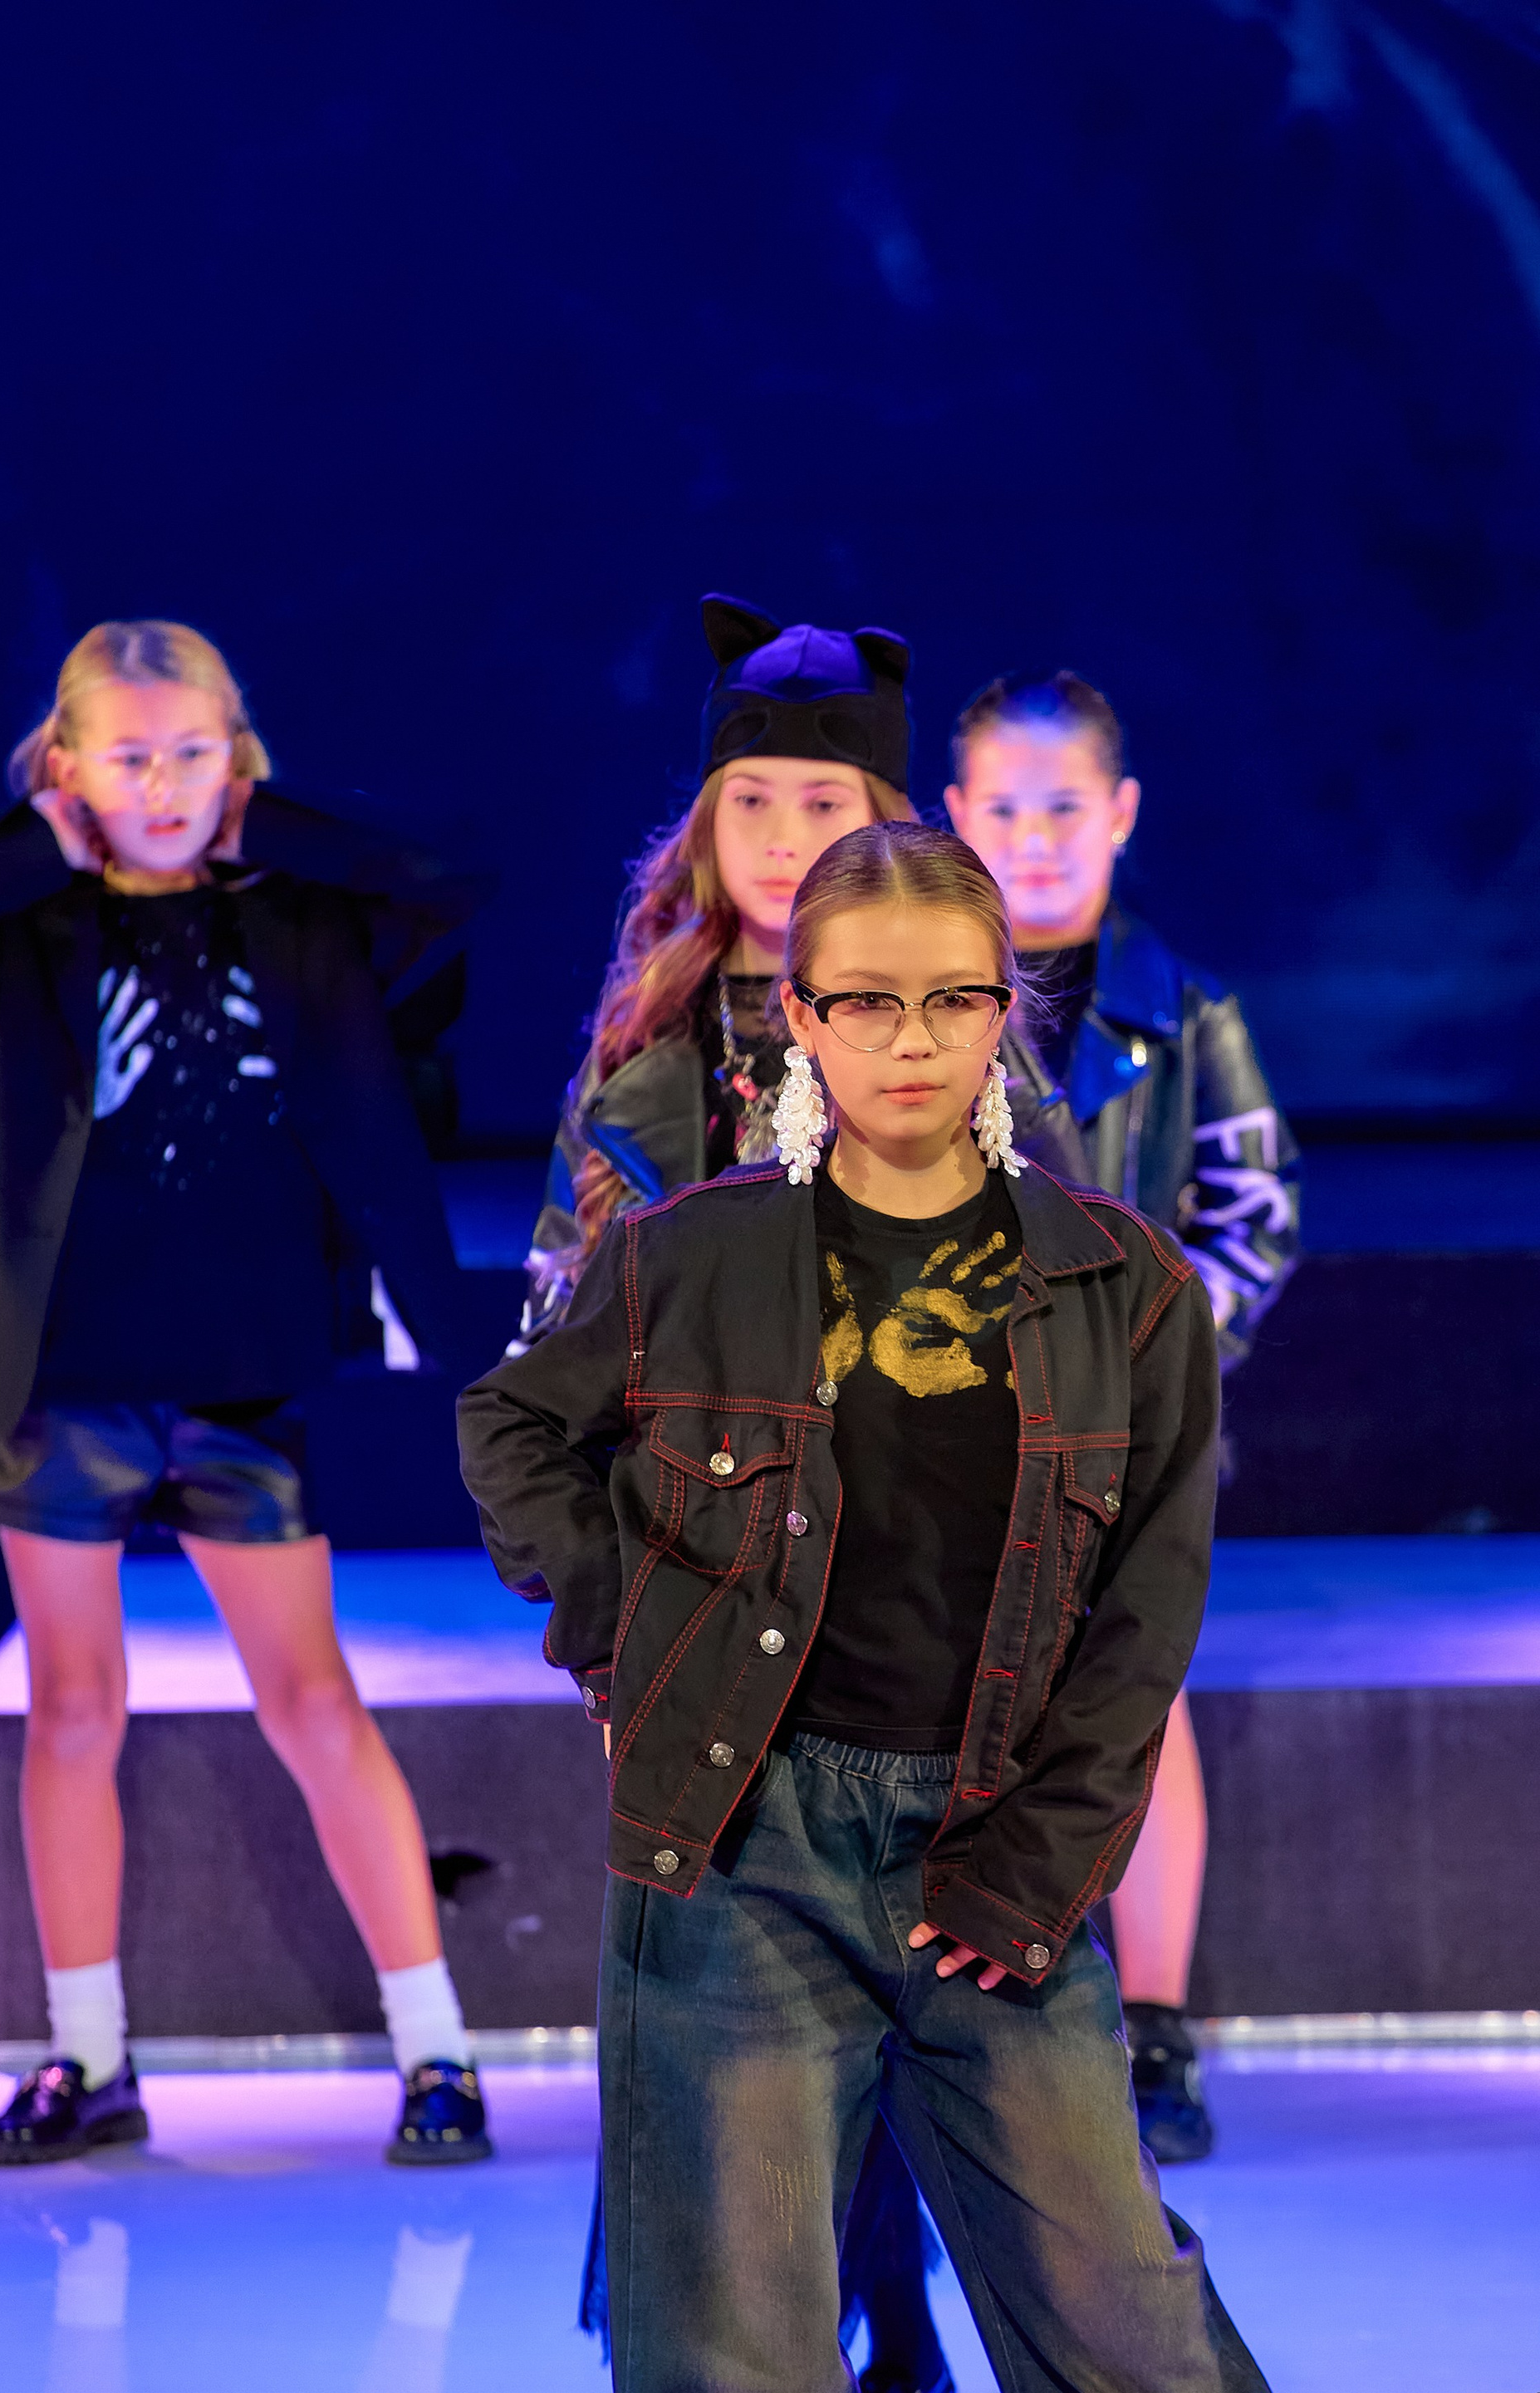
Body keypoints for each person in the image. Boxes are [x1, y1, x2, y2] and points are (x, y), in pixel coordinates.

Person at [459, 820, 1268, 2393]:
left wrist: (1033, 1869)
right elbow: (512, 1422)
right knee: (737, 2350)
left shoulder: (1129, 1289)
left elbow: (1144, 1620)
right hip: (741, 1849)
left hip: (994, 1846)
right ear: (802, 1017)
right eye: (869, 1002)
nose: (914, 1039)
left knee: (1130, 2333)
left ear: (1005, 1010)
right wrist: (624, 1637)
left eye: (955, 999)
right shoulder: (690, 1257)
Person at [0, 620, 492, 2168]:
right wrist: (36, 844)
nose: (166, 783)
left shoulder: (299, 913)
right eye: (129, 756)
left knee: (312, 1697)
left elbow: (451, 887)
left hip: (240, 1373)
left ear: (235, 755)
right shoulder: (26, 926)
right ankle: (89, 2058)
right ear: (67, 768)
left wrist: (271, 819)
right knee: (71, 1707)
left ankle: (437, 2052)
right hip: (63, 1371)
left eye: (194, 751)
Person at [944, 668, 1300, 2162]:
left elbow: (1256, 1210)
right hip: (956, 1426)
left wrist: (1159, 1361)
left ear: (1122, 812)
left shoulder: (1188, 1005)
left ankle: (1155, 2030)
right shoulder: (927, 992)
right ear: (956, 814)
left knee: (1140, 1701)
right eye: (1004, 808)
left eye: (1063, 807)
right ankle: (975, 2016)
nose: (1034, 838)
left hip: (1137, 1437)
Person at [509, 592, 917, 1355]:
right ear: (708, 818)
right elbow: (550, 1335)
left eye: (823, 804)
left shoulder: (952, 1030)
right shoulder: (641, 1037)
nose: (781, 839)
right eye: (751, 799)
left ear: (883, 827)